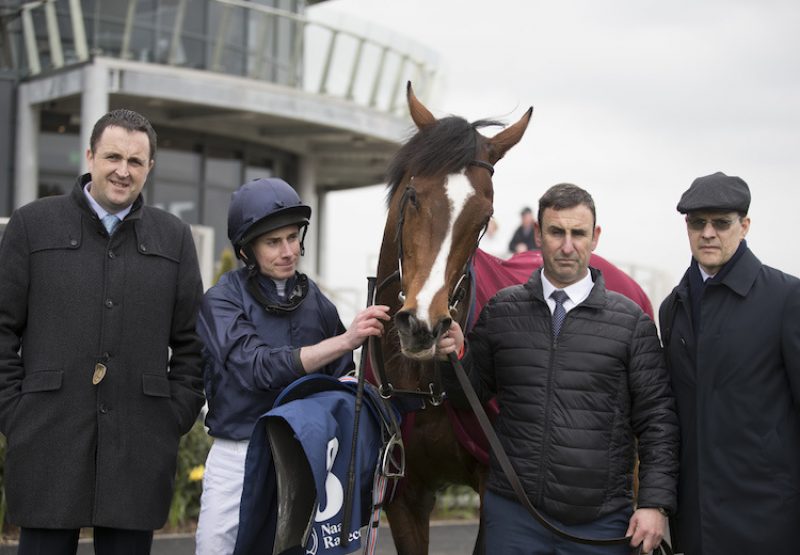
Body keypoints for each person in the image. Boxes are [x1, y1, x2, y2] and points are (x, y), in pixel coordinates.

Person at [0, 109, 205, 554]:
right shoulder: (31, 225)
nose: (122, 170)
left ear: (149, 167)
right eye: (113, 156)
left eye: (135, 161)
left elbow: (193, 345)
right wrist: (13, 412)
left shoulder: (174, 238)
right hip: (45, 439)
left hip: (140, 444)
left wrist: (173, 417)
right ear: (90, 155)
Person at [438, 183, 678, 554]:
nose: (567, 246)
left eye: (578, 233)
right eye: (556, 232)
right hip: (513, 517)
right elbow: (468, 394)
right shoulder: (502, 311)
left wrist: (653, 503)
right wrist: (453, 356)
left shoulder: (632, 323)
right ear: (538, 235)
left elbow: (658, 420)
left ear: (594, 237)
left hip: (600, 523)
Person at [194, 177, 390, 554]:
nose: (288, 251)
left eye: (292, 238)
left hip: (302, 454)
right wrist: (345, 339)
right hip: (238, 453)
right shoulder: (220, 300)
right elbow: (257, 369)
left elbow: (342, 378)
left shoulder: (316, 299)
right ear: (246, 249)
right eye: (273, 242)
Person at [659, 172, 800, 555]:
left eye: (721, 223)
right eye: (697, 222)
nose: (708, 233)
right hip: (695, 523)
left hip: (771, 521)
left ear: (745, 226)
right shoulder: (672, 308)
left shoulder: (787, 298)